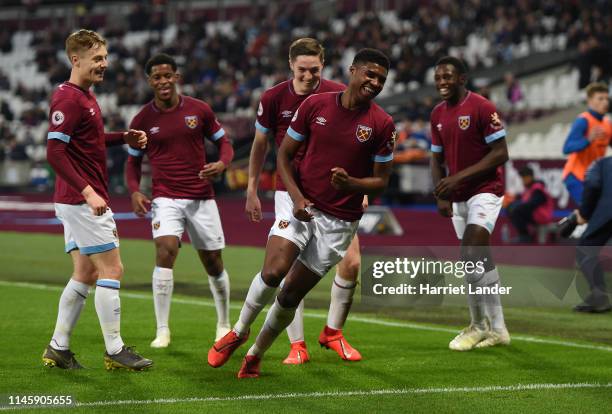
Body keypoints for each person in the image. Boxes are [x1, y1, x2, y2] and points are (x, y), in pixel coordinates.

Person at [208, 48, 395, 378]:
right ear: (353, 70)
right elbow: (283, 155)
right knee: (274, 271)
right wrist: (295, 198)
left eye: (381, 79)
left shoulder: (381, 124)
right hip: (300, 203)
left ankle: (255, 355)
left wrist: (353, 184)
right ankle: (238, 331)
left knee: (291, 293)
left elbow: (380, 182)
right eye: (370, 74)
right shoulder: (315, 105)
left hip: (340, 223)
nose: (375, 82)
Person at [245, 38, 363, 364]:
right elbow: (260, 146)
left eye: (315, 69)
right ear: (290, 65)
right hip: (292, 191)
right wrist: (252, 189)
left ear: (323, 65)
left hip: (334, 195)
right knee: (289, 270)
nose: (309, 76)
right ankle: (297, 344)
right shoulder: (273, 98)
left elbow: (355, 145)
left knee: (351, 264)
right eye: (302, 70)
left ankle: (333, 332)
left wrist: (361, 189)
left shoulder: (338, 93)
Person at [42, 29, 152, 371]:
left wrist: (122, 137)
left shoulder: (82, 95)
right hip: (82, 200)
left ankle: (58, 347)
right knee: (112, 268)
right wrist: (88, 192)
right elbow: (55, 151)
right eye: (97, 59)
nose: (104, 64)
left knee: (85, 271)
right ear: (76, 60)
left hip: (73, 200)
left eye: (105, 58)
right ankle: (115, 350)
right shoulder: (69, 100)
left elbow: (87, 140)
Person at [125, 53, 234, 347]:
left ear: (176, 77)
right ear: (150, 81)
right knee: (165, 250)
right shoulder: (142, 119)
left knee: (213, 262)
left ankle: (224, 324)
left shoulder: (199, 110)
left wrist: (222, 164)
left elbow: (224, 142)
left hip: (201, 197)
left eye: (167, 75)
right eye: (156, 77)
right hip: (165, 198)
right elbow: (132, 162)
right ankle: (162, 330)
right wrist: (135, 189)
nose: (163, 81)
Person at [430, 56, 510, 351]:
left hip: (486, 190)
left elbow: (500, 152)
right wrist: (441, 193)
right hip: (458, 195)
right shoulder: (437, 113)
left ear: (462, 78)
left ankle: (477, 326)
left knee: (470, 250)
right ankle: (499, 329)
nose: (442, 82)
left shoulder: (481, 107)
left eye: (448, 77)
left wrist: (456, 178)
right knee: (479, 260)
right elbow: (436, 158)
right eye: (438, 78)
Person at [572, 156, 612, 313]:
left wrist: (584, 213)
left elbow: (592, 184)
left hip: (608, 211)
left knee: (586, 250)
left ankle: (599, 297)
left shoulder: (601, 163)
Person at [562, 82, 611, 205]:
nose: (605, 102)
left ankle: (574, 222)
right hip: (576, 176)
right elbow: (567, 148)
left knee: (600, 212)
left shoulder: (607, 124)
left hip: (593, 176)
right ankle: (571, 223)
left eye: (607, 98)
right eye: (600, 98)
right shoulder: (583, 121)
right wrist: (588, 139)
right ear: (589, 101)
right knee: (591, 211)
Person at [507, 166, 554, 243]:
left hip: (542, 217)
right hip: (535, 215)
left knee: (516, 209)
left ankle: (524, 235)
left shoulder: (538, 189)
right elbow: (523, 200)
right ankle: (524, 235)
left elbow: (533, 203)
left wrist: (517, 206)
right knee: (511, 207)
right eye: (522, 178)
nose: (523, 180)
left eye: (524, 177)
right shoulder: (529, 189)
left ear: (530, 177)